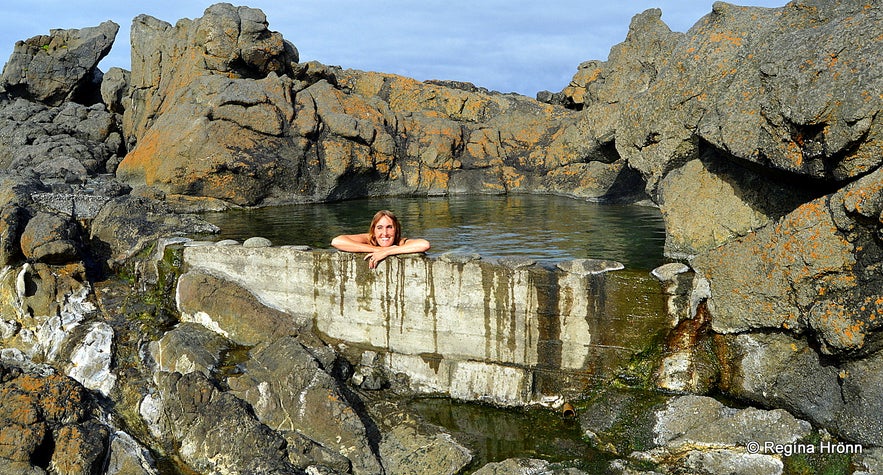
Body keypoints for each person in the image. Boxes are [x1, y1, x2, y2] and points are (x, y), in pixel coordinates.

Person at [331, 210, 431, 269]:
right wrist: (378, 250)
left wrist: (388, 252)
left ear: (396, 229)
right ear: (373, 230)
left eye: (389, 227)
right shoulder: (369, 238)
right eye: (379, 228)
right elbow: (336, 241)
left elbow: (424, 245)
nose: (385, 233)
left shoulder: (401, 242)